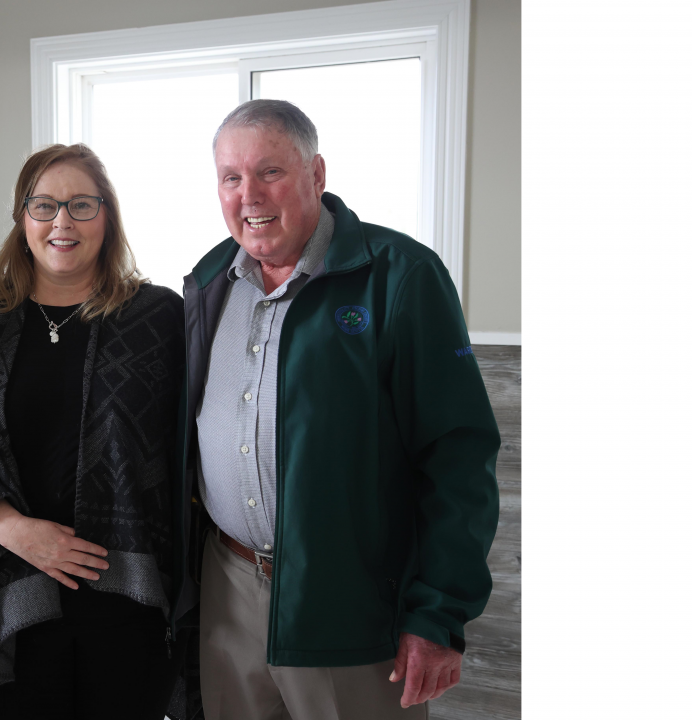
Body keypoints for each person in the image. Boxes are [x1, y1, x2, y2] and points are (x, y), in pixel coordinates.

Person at [171, 99, 501, 720]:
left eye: (270, 172)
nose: (249, 195)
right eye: (231, 177)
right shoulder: (209, 279)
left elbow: (458, 455)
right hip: (229, 583)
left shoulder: (400, 277)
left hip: (351, 598)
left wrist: (438, 613)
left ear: (317, 174)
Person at [0, 143, 189, 720]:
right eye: (43, 205)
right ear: (22, 220)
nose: (62, 222)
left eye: (81, 205)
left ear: (108, 217)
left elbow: (187, 453)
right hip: (11, 596)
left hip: (129, 602)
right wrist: (10, 527)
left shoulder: (159, 317)